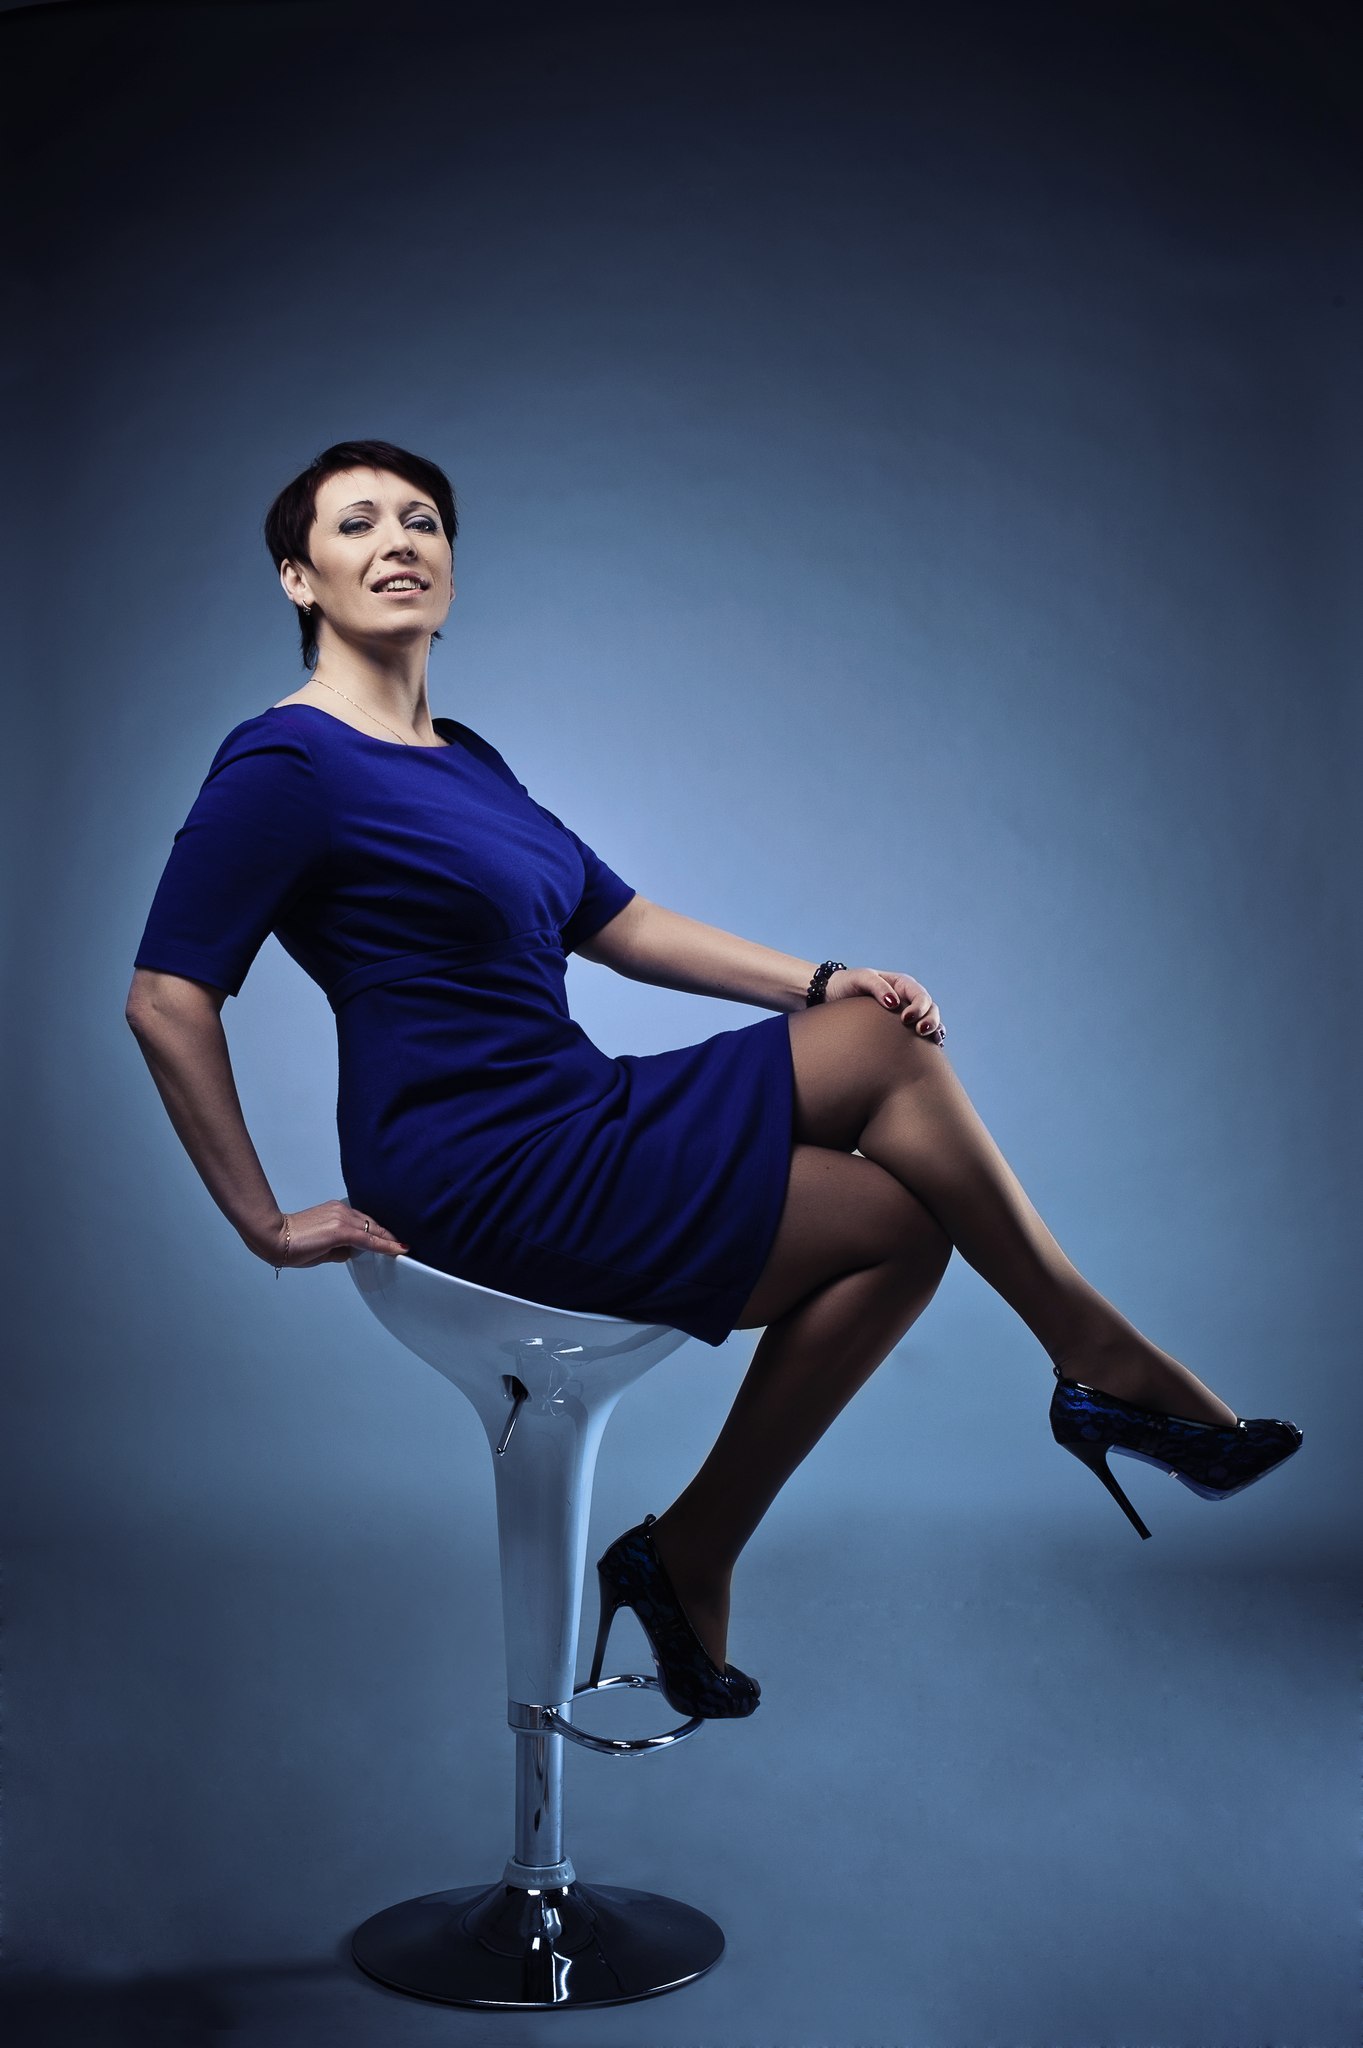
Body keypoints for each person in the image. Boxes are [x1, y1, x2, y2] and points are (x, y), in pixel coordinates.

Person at [126, 438, 1302, 1723]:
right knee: (882, 1050)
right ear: (299, 577)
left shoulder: (465, 756)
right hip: (472, 1161)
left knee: (900, 1220)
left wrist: (824, 975)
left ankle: (689, 1550)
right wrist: (261, 1219)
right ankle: (1097, 1359)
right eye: (355, 524)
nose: (398, 540)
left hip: (575, 1109)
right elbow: (167, 996)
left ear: (452, 562)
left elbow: (621, 923)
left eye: (421, 519)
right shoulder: (285, 763)